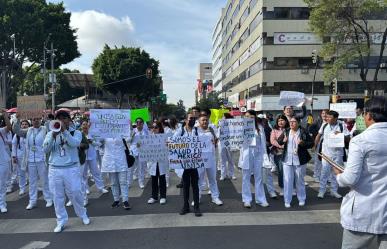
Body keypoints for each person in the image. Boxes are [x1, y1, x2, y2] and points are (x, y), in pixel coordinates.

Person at [332, 96, 387, 249]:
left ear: (368, 115)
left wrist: (338, 175)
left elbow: (350, 179)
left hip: (364, 212)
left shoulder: (361, 140)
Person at [43, 110, 90, 233]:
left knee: (75, 192)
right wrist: (53, 136)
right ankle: (61, 220)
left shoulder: (77, 132)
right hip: (55, 169)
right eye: (59, 118)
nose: (62, 120)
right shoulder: (50, 133)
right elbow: (45, 149)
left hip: (71, 168)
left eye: (64, 118)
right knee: (57, 196)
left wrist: (64, 131)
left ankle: (82, 214)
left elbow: (75, 144)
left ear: (69, 120)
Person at [13, 115, 53, 210]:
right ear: (32, 121)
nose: (36, 121)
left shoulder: (44, 129)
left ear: (40, 120)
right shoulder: (29, 130)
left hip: (42, 159)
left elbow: (51, 129)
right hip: (31, 160)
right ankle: (32, 201)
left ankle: (48, 199)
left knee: (44, 180)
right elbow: (17, 130)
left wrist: (47, 119)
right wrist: (18, 119)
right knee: (32, 182)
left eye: (38, 119)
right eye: (34, 119)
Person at [279, 117, 313, 208]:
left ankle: (301, 198)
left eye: (294, 122)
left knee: (299, 180)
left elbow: (311, 143)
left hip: (299, 160)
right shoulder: (286, 131)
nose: (291, 123)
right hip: (287, 160)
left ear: (298, 123)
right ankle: (287, 200)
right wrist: (283, 141)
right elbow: (279, 141)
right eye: (290, 122)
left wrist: (302, 143)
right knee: (287, 181)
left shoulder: (303, 131)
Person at [315, 110, 350, 199]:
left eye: (330, 117)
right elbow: (318, 135)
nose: (327, 119)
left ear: (336, 118)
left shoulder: (342, 125)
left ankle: (334, 191)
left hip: (338, 154)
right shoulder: (325, 125)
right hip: (326, 154)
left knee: (336, 173)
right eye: (327, 117)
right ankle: (321, 191)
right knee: (324, 172)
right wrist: (315, 145)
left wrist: (341, 135)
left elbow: (348, 138)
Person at [240, 110, 269, 208]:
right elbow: (237, 141)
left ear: (254, 117)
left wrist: (265, 156)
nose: (249, 118)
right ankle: (246, 199)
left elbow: (263, 143)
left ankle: (260, 199)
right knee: (246, 177)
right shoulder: (241, 127)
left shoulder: (260, 127)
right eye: (247, 116)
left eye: (251, 117)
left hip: (258, 154)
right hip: (246, 153)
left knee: (259, 177)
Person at [176, 112, 202, 217]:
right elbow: (173, 141)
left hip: (194, 162)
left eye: (194, 118)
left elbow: (202, 142)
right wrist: (169, 143)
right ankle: (185, 206)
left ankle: (196, 207)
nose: (192, 120)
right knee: (186, 186)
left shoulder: (196, 130)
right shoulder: (181, 131)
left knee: (195, 186)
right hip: (185, 163)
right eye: (190, 118)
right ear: (186, 120)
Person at [196, 114, 223, 206]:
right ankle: (197, 198)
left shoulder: (212, 129)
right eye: (203, 120)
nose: (205, 122)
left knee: (212, 179)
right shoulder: (195, 131)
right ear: (199, 122)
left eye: (206, 120)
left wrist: (214, 142)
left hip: (211, 158)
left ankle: (215, 197)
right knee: (199, 179)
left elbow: (216, 139)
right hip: (199, 159)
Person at [101, 132, 131, 210]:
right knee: (113, 183)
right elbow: (98, 143)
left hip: (120, 160)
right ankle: (116, 200)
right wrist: (92, 136)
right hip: (110, 161)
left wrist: (129, 127)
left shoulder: (122, 132)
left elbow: (129, 137)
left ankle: (125, 200)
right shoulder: (105, 133)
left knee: (123, 182)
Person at [80, 121, 109, 197]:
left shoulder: (92, 134)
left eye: (86, 124)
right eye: (83, 124)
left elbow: (99, 144)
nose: (85, 126)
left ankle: (101, 187)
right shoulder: (79, 134)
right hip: (82, 157)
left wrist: (92, 142)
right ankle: (86, 188)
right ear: (81, 126)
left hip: (92, 156)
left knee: (96, 172)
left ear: (88, 126)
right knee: (84, 174)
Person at [147, 121, 168, 205]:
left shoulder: (164, 137)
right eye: (152, 127)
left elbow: (169, 148)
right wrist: (139, 145)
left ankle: (163, 196)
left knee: (162, 179)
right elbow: (144, 149)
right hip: (152, 162)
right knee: (154, 180)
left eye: (156, 127)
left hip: (161, 161)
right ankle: (154, 197)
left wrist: (168, 145)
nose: (154, 129)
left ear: (160, 128)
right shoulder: (148, 138)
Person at [270, 114, 289, 196]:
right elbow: (272, 141)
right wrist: (281, 146)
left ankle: (291, 187)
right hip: (279, 153)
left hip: (289, 153)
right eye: (279, 121)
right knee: (281, 171)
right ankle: (282, 187)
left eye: (282, 120)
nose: (281, 122)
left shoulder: (289, 129)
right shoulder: (274, 130)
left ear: (286, 121)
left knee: (289, 171)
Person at [129, 117, 149, 189]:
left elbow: (149, 141)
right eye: (137, 122)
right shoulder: (133, 131)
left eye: (140, 122)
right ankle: (129, 183)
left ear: (143, 124)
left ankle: (141, 182)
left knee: (141, 168)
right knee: (131, 168)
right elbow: (129, 141)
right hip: (133, 151)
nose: (138, 124)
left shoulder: (146, 132)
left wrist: (143, 144)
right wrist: (132, 135)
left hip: (142, 151)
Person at [11, 119, 30, 195]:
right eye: (23, 124)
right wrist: (14, 156)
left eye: (26, 124)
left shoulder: (30, 133)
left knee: (31, 174)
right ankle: (22, 188)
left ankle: (33, 188)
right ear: (20, 126)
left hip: (29, 156)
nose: (24, 125)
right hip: (20, 157)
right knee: (21, 174)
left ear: (29, 126)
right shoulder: (17, 135)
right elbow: (14, 145)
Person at [311, 109, 328, 183]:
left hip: (328, 144)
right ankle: (316, 175)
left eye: (326, 113)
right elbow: (310, 128)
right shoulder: (318, 121)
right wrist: (316, 135)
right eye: (323, 113)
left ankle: (327, 177)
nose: (324, 115)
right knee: (318, 160)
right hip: (319, 142)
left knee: (327, 161)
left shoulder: (332, 122)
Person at [0, 109, 12, 213]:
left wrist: (5, 115)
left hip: (2, 162)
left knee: (2, 184)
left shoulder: (1, 131)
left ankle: (2, 204)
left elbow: (9, 127)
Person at [219, 113, 236, 180]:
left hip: (230, 143)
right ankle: (223, 175)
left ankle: (231, 174)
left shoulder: (232, 125)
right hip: (222, 144)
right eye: (222, 117)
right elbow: (217, 134)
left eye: (223, 117)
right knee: (222, 160)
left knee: (230, 160)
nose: (223, 118)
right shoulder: (220, 124)